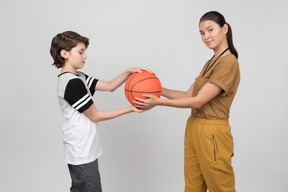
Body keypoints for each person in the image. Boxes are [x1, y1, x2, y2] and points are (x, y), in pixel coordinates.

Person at [135, 11, 240, 192]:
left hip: (212, 131)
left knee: (221, 187)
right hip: (194, 127)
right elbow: (187, 95)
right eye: (201, 33)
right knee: (193, 187)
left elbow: (197, 101)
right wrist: (153, 86)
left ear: (225, 29)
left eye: (210, 30)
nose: (206, 36)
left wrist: (158, 102)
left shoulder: (229, 63)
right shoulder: (211, 62)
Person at [50, 31, 150, 192]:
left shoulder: (78, 77)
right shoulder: (71, 83)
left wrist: (128, 72)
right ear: (65, 54)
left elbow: (110, 86)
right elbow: (95, 115)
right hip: (81, 150)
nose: (85, 56)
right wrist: (130, 109)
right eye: (80, 52)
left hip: (83, 147)